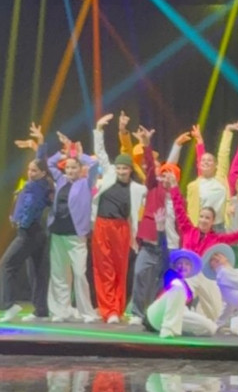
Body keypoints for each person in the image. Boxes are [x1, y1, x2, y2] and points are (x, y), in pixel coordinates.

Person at [168, 177, 238, 319]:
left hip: (206, 277)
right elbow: (179, 209)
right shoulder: (189, 230)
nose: (203, 220)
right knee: (179, 293)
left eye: (207, 218)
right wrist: (174, 187)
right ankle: (173, 315)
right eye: (202, 217)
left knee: (215, 315)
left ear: (212, 221)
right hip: (189, 274)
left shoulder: (216, 239)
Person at [92, 113, 147, 323]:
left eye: (125, 168)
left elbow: (152, 184)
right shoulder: (108, 176)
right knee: (104, 268)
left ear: (131, 170)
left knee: (120, 269)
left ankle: (117, 307)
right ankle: (108, 310)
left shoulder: (137, 188)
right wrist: (99, 129)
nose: (121, 171)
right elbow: (101, 153)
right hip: (102, 225)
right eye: (119, 168)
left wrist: (145, 145)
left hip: (122, 229)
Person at [0, 123, 53, 323]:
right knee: (37, 271)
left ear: (42, 173)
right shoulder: (39, 183)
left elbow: (29, 209)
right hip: (38, 233)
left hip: (28, 232)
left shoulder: (37, 187)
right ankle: (41, 310)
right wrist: (40, 142)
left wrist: (19, 221)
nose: (30, 173)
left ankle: (9, 305)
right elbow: (42, 162)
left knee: (6, 265)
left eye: (34, 170)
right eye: (29, 170)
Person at [128, 125, 180, 325]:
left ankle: (154, 315)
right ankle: (137, 312)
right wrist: (146, 145)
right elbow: (150, 166)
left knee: (162, 283)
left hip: (170, 247)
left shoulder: (178, 198)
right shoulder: (153, 187)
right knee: (140, 274)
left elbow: (183, 223)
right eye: (163, 173)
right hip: (150, 244)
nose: (166, 177)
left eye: (170, 174)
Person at [46, 137, 100, 323]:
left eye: (74, 167)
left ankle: (86, 312)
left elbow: (95, 164)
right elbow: (50, 163)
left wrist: (78, 154)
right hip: (57, 232)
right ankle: (61, 310)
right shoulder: (61, 180)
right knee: (59, 274)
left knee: (79, 273)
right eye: (68, 168)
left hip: (76, 236)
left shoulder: (86, 182)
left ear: (80, 169)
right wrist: (63, 153)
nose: (70, 171)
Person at [144, 248, 218, 339]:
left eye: (187, 264)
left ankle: (175, 328)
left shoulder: (189, 288)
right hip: (158, 313)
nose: (183, 266)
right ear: (174, 266)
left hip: (177, 315)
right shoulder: (169, 275)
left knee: (211, 327)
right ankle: (168, 330)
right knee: (178, 287)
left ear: (191, 268)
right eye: (180, 263)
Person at [184, 121, 238, 228]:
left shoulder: (221, 178)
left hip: (220, 227)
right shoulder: (193, 186)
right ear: (199, 165)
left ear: (216, 165)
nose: (206, 162)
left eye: (209, 160)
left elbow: (223, 154)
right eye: (203, 160)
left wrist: (228, 131)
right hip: (201, 228)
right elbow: (190, 212)